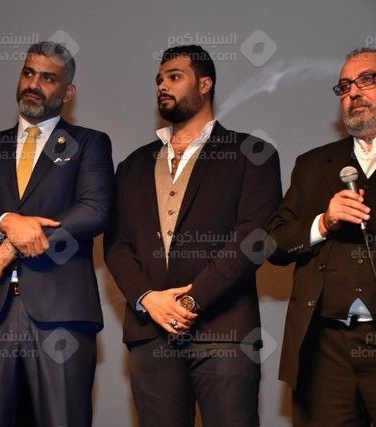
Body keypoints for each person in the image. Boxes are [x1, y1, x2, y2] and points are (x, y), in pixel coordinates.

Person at [104, 45, 282, 426]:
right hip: (150, 333)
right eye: (159, 79)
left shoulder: (252, 153)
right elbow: (117, 245)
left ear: (205, 84)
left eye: (174, 77)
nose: (162, 86)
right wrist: (147, 298)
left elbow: (254, 237)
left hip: (225, 331)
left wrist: (190, 301)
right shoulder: (132, 165)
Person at [0, 41, 113, 426]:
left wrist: (10, 248)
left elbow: (94, 211)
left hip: (61, 310)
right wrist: (6, 221)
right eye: (28, 73)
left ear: (68, 92)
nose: (34, 84)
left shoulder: (89, 143)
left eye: (48, 78)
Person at [268, 47, 376, 426]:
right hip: (324, 347)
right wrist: (323, 222)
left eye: (367, 79)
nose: (354, 92)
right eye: (345, 86)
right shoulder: (313, 164)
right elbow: (274, 243)